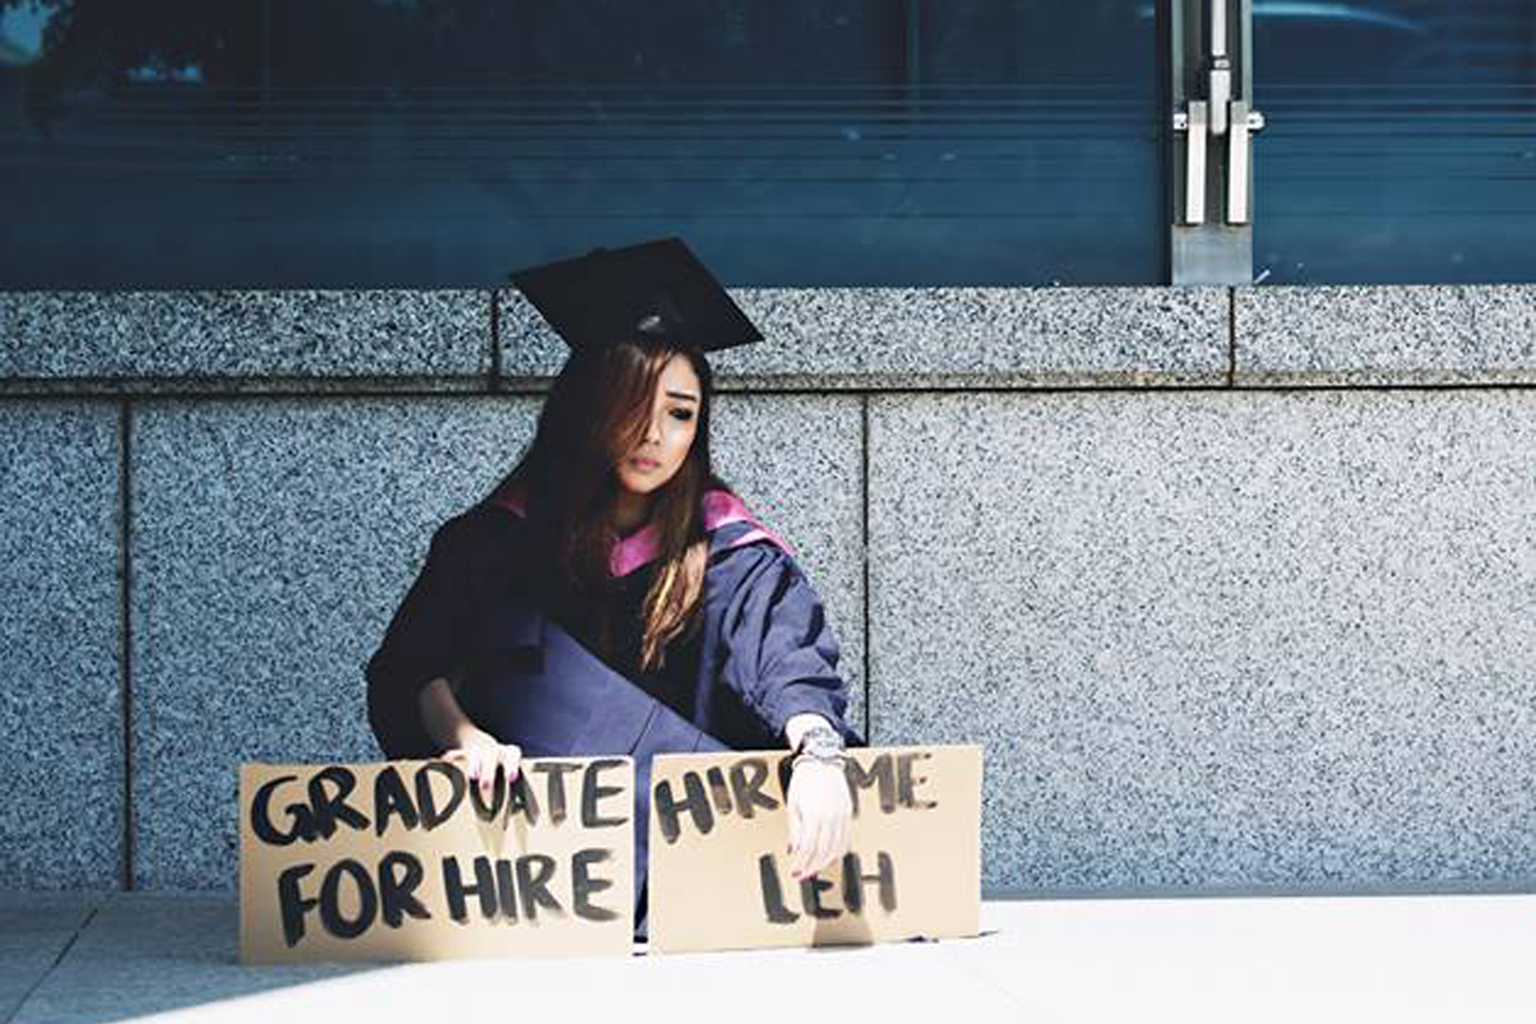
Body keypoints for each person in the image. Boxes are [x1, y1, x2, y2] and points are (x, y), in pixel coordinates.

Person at [364, 238, 860, 936]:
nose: (656, 434)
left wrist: (816, 753)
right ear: (585, 410)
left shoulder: (732, 553)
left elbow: (787, 662)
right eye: (634, 404)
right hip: (533, 881)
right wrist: (465, 737)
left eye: (681, 413)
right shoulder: (492, 543)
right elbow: (412, 666)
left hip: (689, 882)